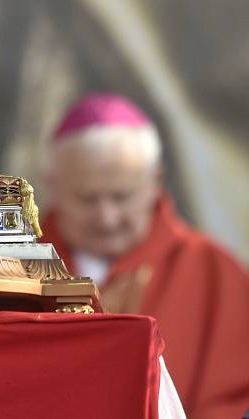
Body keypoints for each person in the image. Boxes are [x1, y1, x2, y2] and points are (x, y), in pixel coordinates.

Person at [41, 92, 249, 419]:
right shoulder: (15, 266)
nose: (107, 218)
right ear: (54, 185)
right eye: (87, 199)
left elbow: (231, 400)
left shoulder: (214, 271)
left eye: (121, 197)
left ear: (155, 183)